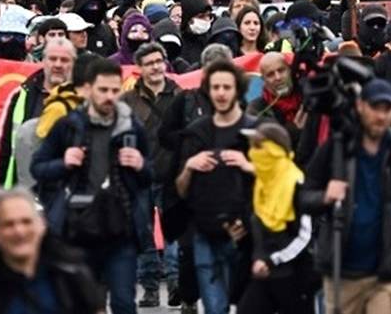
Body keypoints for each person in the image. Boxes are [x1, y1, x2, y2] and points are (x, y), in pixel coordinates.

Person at [298, 78, 391, 314]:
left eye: (387, 109)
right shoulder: (338, 147)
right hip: (342, 271)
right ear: (361, 106)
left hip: (387, 272)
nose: (381, 116)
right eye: (375, 108)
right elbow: (303, 195)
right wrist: (324, 197)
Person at [32, 58, 150, 314]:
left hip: (121, 230)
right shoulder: (68, 126)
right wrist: (63, 163)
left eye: (115, 90)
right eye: (103, 90)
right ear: (88, 89)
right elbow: (38, 168)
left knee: (123, 303)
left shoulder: (132, 127)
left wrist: (141, 165)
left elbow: (151, 176)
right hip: (78, 230)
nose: (109, 96)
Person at [174, 60, 258, 314]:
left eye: (227, 87)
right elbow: (180, 189)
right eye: (215, 87)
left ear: (237, 90)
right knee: (215, 308)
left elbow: (276, 181)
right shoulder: (196, 132)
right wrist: (189, 166)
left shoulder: (253, 130)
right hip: (205, 232)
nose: (221, 93)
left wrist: (249, 165)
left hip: (244, 233)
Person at [0, 189, 103, 314]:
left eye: (26, 222)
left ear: (41, 226)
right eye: (9, 224)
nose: (19, 231)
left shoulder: (72, 275)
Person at [119, 42, 181, 308]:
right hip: (139, 176)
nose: (156, 66)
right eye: (150, 63)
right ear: (139, 68)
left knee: (172, 233)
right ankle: (150, 287)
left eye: (159, 61)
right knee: (143, 234)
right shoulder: (127, 100)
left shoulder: (180, 95)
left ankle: (176, 282)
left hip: (171, 175)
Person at [238, 122, 316, 314]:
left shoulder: (296, 182)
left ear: (274, 151)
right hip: (262, 275)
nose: (254, 153)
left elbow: (305, 235)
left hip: (292, 276)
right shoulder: (262, 183)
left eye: (259, 147)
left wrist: (272, 260)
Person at [0, 37, 76, 191]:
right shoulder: (21, 95)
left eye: (64, 60)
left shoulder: (83, 98)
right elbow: (1, 144)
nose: (58, 65)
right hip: (24, 194)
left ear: (73, 63)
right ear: (43, 61)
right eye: (53, 59)